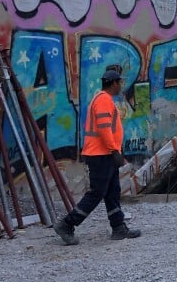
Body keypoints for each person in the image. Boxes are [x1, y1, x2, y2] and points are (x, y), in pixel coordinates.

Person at [54, 68, 140, 245]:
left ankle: (118, 227)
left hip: (104, 154)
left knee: (112, 191)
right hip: (101, 154)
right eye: (120, 82)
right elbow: (103, 128)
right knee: (97, 193)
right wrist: (114, 150)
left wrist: (115, 150)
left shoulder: (103, 99)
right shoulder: (103, 100)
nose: (121, 85)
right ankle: (67, 224)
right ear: (113, 83)